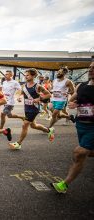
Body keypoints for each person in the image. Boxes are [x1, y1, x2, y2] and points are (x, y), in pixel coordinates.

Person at [51, 61, 94, 193]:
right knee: (89, 152)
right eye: (90, 67)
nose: (90, 69)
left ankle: (64, 184)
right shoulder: (82, 85)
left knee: (79, 153)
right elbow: (72, 99)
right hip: (81, 124)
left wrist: (82, 106)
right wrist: (75, 103)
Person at [9, 68, 54, 150]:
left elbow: (48, 95)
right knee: (33, 126)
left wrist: (39, 99)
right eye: (25, 75)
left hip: (34, 108)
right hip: (27, 108)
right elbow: (21, 93)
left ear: (33, 76)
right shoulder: (24, 86)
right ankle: (49, 130)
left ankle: (18, 143)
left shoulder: (38, 86)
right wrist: (19, 97)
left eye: (28, 75)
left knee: (25, 125)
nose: (26, 76)